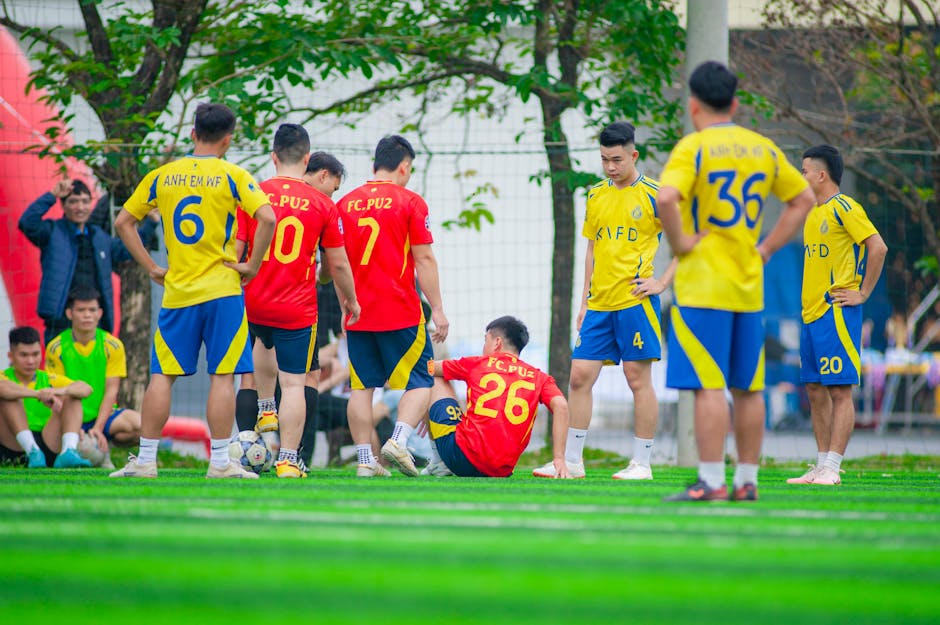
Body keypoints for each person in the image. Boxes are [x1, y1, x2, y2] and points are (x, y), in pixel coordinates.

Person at [657, 61, 815, 502]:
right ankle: (748, 481)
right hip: (748, 285)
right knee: (749, 387)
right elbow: (802, 198)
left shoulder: (695, 147)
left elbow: (666, 197)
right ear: (735, 102)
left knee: (708, 385)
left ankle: (710, 481)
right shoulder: (761, 147)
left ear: (693, 106)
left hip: (702, 285)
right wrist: (765, 249)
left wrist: (681, 241)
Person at [109, 102, 276, 479]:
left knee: (162, 376)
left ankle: (146, 460)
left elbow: (123, 222)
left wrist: (152, 266)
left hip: (178, 293)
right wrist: (252, 264)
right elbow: (267, 216)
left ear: (192, 133)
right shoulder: (233, 175)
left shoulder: (162, 175)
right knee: (222, 377)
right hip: (223, 292)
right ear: (228, 140)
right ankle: (219, 463)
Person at [532, 121, 676, 481]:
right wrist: (583, 301)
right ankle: (573, 462)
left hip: (635, 303)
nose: (610, 167)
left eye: (616, 159)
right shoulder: (596, 195)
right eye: (604, 160)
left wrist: (661, 283)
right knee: (579, 376)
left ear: (633, 155)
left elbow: (685, 244)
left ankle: (641, 463)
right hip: (599, 304)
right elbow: (592, 251)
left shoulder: (656, 195)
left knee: (636, 378)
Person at [236, 125, 359, 478]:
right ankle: (288, 460)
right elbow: (336, 263)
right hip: (297, 306)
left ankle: (264, 406)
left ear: (273, 157)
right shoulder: (323, 204)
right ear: (307, 159)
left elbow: (239, 248)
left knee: (257, 347)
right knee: (295, 383)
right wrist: (350, 300)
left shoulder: (254, 193)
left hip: (254, 297)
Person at [336, 134, 449, 477]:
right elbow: (424, 258)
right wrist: (439, 309)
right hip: (399, 308)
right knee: (420, 380)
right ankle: (398, 440)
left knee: (361, 386)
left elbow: (336, 261)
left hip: (357, 311)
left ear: (374, 165)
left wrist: (346, 301)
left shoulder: (345, 204)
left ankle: (365, 462)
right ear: (404, 167)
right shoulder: (411, 202)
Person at [787, 145, 887, 486]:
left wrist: (863, 293)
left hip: (836, 314)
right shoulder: (813, 213)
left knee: (840, 390)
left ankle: (833, 466)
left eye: (803, 170)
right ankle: (821, 465)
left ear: (821, 174)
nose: (801, 176)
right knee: (815, 389)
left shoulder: (845, 207)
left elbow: (878, 247)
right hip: (810, 314)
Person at [18, 178, 159, 344]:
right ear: (63, 205)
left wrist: (151, 223)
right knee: (61, 370)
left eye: (85, 201)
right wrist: (52, 195)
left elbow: (126, 249)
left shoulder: (99, 237)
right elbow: (27, 222)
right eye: (73, 202)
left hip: (95, 321)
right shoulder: (51, 232)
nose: (80, 207)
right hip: (60, 321)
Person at [426, 316, 569, 478]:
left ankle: (439, 462)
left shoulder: (477, 363)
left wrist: (425, 407)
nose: (483, 346)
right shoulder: (539, 377)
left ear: (497, 342)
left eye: (485, 340)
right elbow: (561, 406)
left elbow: (428, 369)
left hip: (460, 459)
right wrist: (559, 458)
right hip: (501, 471)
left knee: (434, 378)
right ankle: (441, 461)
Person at [45, 287, 142, 458]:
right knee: (79, 449)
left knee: (141, 426)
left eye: (92, 310)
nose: (87, 315)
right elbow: (59, 393)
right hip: (70, 415)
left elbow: (112, 390)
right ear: (69, 313)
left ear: (100, 313)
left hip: (103, 416)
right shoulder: (56, 347)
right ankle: (75, 444)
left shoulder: (112, 345)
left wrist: (98, 428)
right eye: (81, 310)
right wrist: (74, 427)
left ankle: (105, 445)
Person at [0, 326, 92, 468]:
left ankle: (68, 451)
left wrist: (59, 392)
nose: (31, 361)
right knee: (9, 397)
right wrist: (38, 395)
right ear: (11, 356)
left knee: (73, 397)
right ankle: (32, 451)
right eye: (24, 355)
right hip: (13, 444)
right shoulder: (4, 376)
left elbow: (86, 388)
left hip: (47, 441)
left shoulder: (48, 379)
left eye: (35, 354)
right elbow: (2, 388)